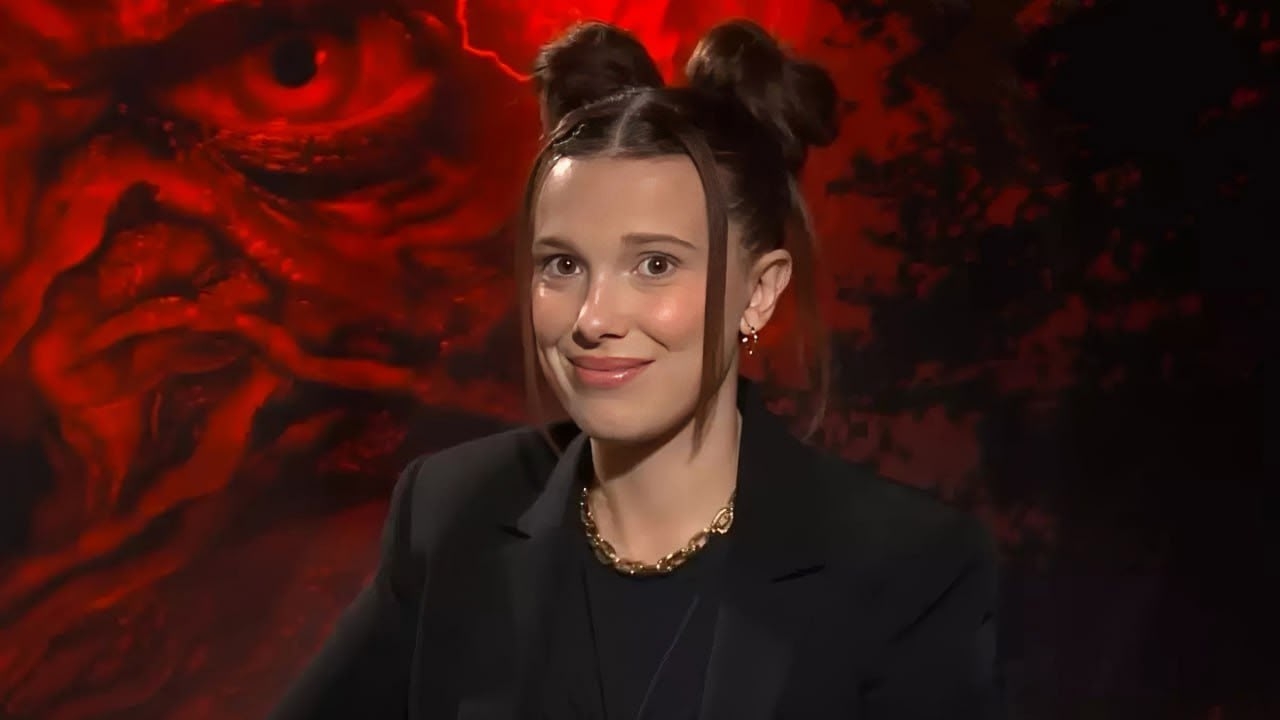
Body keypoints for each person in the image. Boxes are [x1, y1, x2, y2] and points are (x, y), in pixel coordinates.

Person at [269, 18, 1004, 720]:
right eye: (562, 265)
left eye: (655, 265)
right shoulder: (451, 514)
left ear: (759, 292)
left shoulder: (907, 566)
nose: (594, 319)